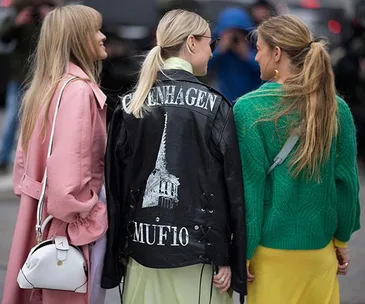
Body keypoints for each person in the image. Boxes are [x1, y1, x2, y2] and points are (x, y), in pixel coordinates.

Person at [101, 9, 246, 304]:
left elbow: (114, 187)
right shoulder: (216, 106)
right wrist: (229, 257)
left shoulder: (130, 103)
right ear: (192, 42)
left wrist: (117, 253)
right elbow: (230, 191)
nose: (211, 51)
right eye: (210, 43)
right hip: (199, 257)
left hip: (139, 250)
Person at [233, 15, 361, 304]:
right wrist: (341, 240)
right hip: (319, 253)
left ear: (277, 53)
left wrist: (245, 252)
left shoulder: (248, 110)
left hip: (269, 257)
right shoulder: (335, 106)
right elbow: (348, 185)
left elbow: (249, 191)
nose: (255, 57)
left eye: (260, 49)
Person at [2, 4, 108, 304]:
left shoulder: (45, 87)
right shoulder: (78, 91)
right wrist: (89, 213)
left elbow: (24, 169)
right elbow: (68, 176)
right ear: (77, 39)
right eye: (95, 31)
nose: (102, 37)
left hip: (39, 217)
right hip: (66, 227)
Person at [0, 0, 57, 174]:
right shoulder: (17, 8)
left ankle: (39, 160)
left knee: (44, 119)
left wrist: (51, 19)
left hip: (45, 74)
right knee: (12, 117)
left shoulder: (55, 9)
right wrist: (18, 23)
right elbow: (3, 36)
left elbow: (63, 38)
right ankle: (3, 159)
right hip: (20, 74)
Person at [208, 7, 261, 103]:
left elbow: (264, 70)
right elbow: (204, 66)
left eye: (238, 32)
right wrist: (219, 49)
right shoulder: (218, 49)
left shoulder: (255, 47)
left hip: (251, 99)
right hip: (224, 98)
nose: (234, 38)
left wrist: (247, 55)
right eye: (229, 33)